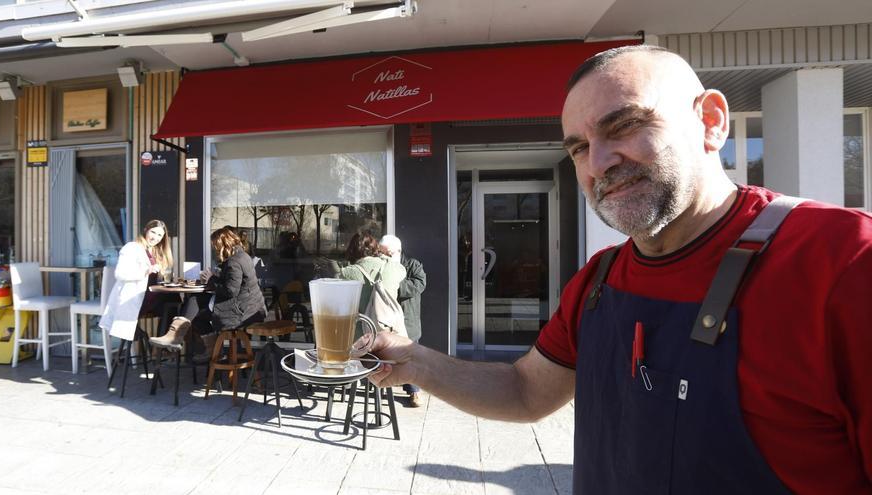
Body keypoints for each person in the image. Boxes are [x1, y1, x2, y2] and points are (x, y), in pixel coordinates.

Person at [368, 45, 872, 494]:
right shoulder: (598, 280)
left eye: (625, 125)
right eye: (579, 147)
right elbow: (525, 391)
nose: (598, 163)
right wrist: (414, 362)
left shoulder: (845, 260)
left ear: (712, 121)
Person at [100, 219, 186, 343]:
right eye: (153, 232)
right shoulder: (132, 248)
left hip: (148, 296)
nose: (155, 237)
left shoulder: (154, 251)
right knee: (172, 301)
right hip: (134, 299)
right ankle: (166, 342)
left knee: (174, 301)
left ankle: (166, 340)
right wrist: (146, 271)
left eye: (159, 235)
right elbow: (120, 273)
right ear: (146, 230)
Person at [189, 227, 267, 361]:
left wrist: (211, 279)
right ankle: (214, 350)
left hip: (242, 313)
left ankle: (213, 351)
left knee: (197, 314)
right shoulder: (242, 256)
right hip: (252, 308)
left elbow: (231, 291)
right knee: (197, 302)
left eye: (215, 246)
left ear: (223, 245)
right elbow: (233, 283)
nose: (215, 249)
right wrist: (214, 278)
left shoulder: (233, 262)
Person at [378, 234, 426, 408]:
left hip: (407, 318)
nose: (383, 256)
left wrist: (394, 285)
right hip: (385, 317)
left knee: (410, 356)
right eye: (380, 253)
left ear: (397, 251)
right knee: (384, 353)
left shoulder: (413, 264)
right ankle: (381, 386)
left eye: (387, 253)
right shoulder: (380, 264)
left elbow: (420, 284)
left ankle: (414, 391)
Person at [338, 231, 405, 312]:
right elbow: (402, 271)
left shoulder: (347, 273)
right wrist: (384, 256)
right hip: (388, 323)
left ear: (351, 251)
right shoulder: (392, 267)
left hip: (363, 323)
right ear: (376, 248)